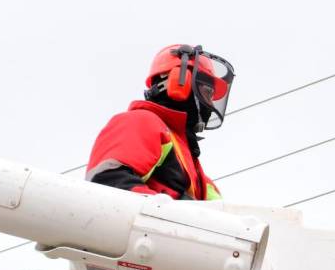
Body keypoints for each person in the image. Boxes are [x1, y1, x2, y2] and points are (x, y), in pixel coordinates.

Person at [86, 44, 235, 201]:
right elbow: (106, 182)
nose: (210, 105)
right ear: (180, 83)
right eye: (207, 93)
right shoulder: (142, 123)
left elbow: (222, 217)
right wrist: (167, 212)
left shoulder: (200, 177)